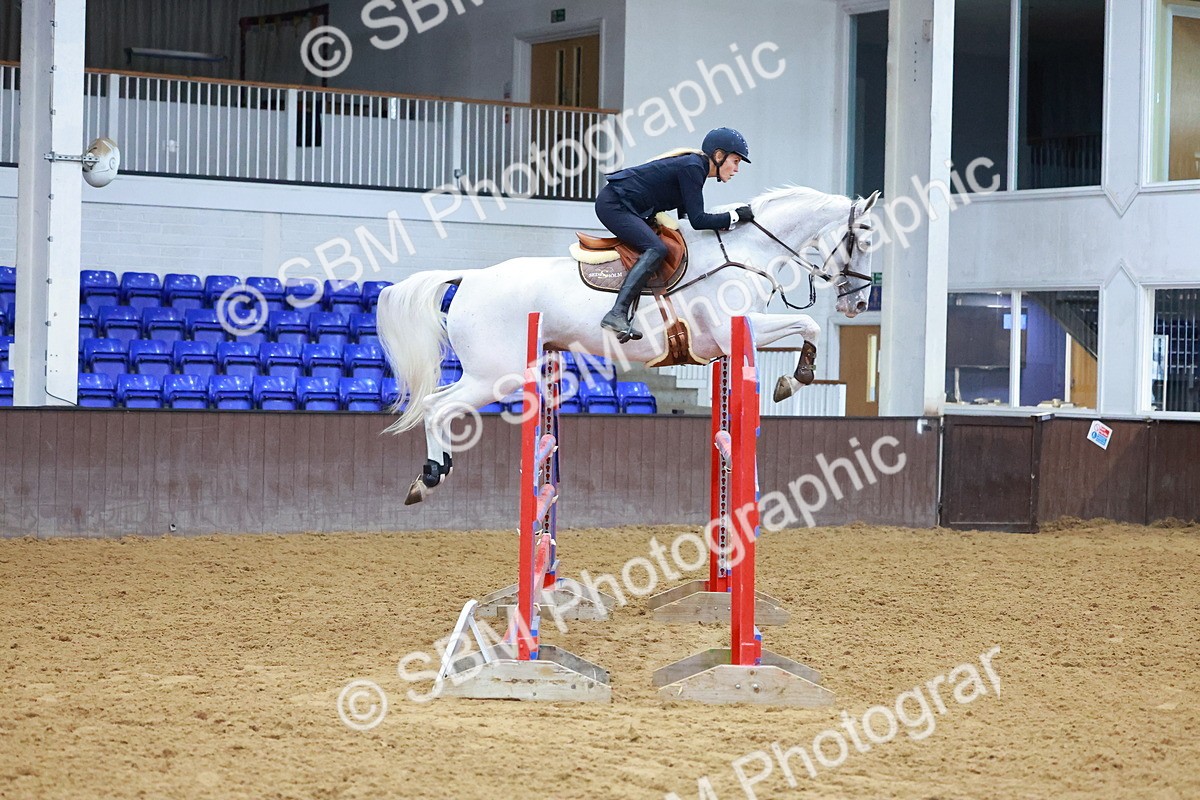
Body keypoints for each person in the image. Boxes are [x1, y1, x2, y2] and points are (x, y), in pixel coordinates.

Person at [595, 127, 755, 342]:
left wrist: (728, 225)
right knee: (656, 248)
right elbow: (699, 221)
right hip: (614, 205)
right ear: (719, 156)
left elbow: (687, 221)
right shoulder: (693, 168)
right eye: (735, 161)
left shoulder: (694, 169)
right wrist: (734, 216)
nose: (737, 169)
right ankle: (617, 313)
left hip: (626, 206)